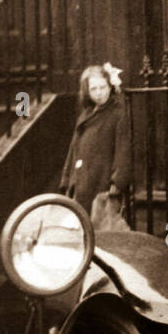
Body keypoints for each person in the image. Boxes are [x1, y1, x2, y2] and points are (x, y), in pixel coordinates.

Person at [59, 63, 131, 229]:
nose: (99, 93)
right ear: (87, 91)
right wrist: (67, 178)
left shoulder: (117, 113)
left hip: (101, 181)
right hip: (81, 181)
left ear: (110, 86)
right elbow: (73, 149)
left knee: (99, 228)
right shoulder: (86, 114)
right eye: (94, 89)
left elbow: (123, 149)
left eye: (102, 87)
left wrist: (117, 182)